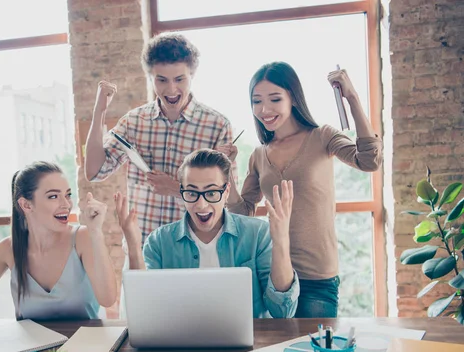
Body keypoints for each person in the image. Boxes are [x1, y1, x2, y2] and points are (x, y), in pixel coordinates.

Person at [224, 61, 383, 318]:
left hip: (316, 276)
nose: (264, 109)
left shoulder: (322, 136)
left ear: (293, 99)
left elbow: (369, 161)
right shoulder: (258, 154)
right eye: (257, 101)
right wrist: (228, 169)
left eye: (275, 99)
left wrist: (351, 97)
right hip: (273, 273)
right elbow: (243, 213)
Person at [84, 32, 236, 246]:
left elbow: (228, 200)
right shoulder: (133, 122)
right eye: (162, 80)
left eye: (179, 79)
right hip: (143, 249)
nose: (171, 89)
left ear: (192, 75)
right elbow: (94, 171)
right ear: (150, 78)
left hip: (195, 248)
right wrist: (99, 111)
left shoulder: (217, 126)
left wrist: (176, 189)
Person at [116, 149, 300, 318]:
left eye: (211, 193)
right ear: (182, 192)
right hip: (180, 346)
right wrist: (133, 246)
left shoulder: (258, 234)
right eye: (192, 193)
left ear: (226, 191)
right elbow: (143, 310)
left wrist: (282, 240)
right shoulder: (159, 241)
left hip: (248, 347)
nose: (201, 205)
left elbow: (283, 312)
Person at [0, 161, 117, 320]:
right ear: (26, 205)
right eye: (53, 196)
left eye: (67, 195)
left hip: (84, 350)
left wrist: (96, 232)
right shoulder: (8, 250)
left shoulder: (83, 238)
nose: (66, 204)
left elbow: (108, 299)